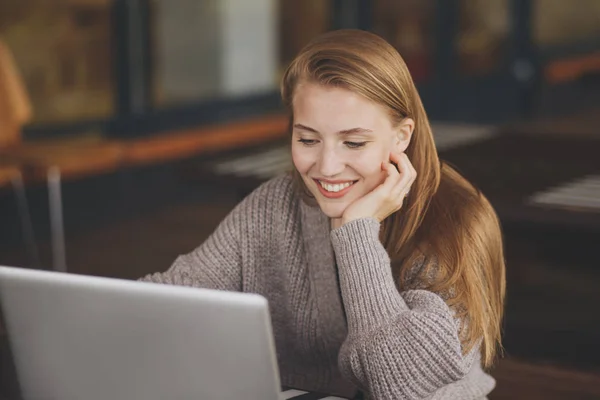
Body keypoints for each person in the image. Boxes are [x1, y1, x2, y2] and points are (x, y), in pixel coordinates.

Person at [141, 29, 506, 400]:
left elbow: (404, 386)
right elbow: (174, 298)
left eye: (354, 142)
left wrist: (357, 236)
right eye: (308, 140)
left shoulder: (456, 222)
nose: (327, 167)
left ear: (401, 136)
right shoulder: (274, 206)